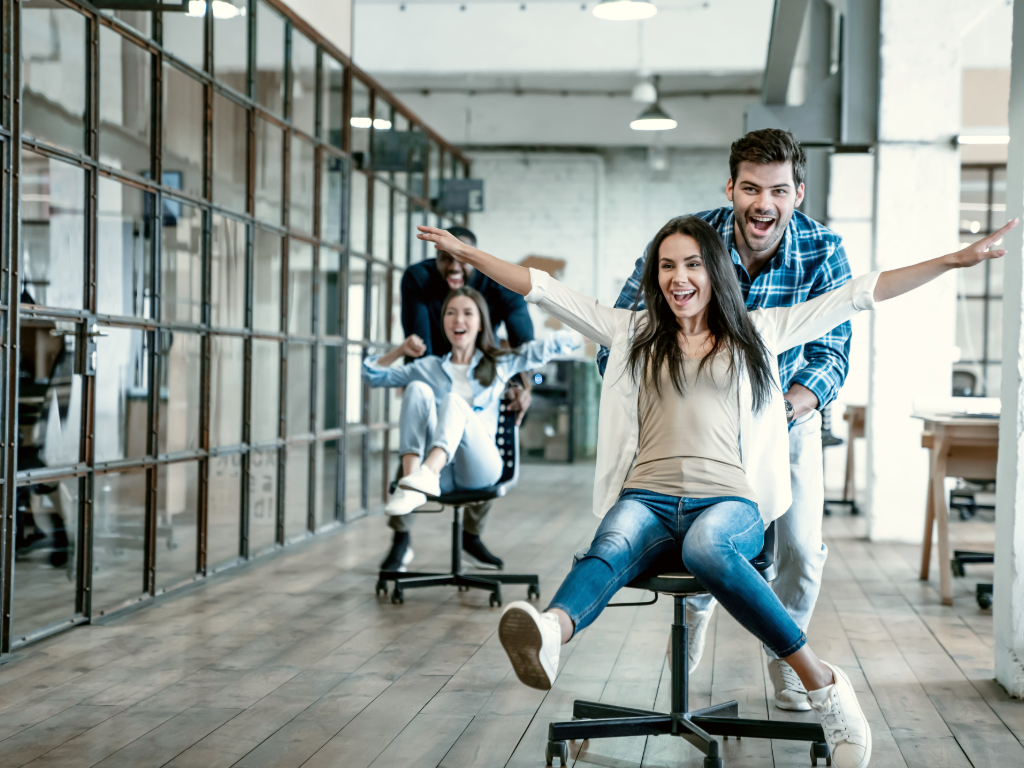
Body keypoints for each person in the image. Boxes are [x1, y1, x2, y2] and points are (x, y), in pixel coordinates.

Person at [416, 215, 1016, 768]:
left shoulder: (759, 330)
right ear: (656, 277)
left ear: (714, 271)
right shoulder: (632, 330)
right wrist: (468, 253)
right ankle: (550, 631)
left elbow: (859, 293)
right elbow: (541, 288)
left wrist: (953, 260)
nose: (679, 277)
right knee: (612, 539)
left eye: (693, 264)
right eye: (667, 266)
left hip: (728, 504)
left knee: (706, 546)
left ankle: (821, 682)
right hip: (648, 498)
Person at [598, 128, 854, 709]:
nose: (764, 203)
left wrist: (781, 411)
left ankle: (787, 661)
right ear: (731, 188)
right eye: (751, 188)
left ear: (798, 193)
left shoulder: (823, 250)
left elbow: (831, 356)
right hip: (696, 414)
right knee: (702, 536)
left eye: (779, 190)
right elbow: (617, 337)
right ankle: (690, 631)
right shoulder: (689, 241)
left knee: (800, 548)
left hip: (789, 413)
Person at [381, 226, 536, 574]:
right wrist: (426, 384)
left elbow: (522, 341)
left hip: (482, 363)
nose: (453, 267)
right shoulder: (418, 279)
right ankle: (401, 538)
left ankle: (471, 535)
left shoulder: (499, 281)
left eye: (461, 259)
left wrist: (522, 385)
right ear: (434, 258)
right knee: (417, 437)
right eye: (444, 259)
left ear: (476, 261)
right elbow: (418, 341)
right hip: (439, 362)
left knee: (487, 435)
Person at [365, 287, 577, 539]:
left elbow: (543, 349)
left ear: (479, 324)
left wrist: (588, 333)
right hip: (442, 478)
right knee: (416, 388)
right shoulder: (428, 366)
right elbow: (371, 376)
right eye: (451, 313)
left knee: (454, 401)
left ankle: (428, 472)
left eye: (468, 313)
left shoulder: (500, 363)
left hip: (480, 469)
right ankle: (411, 483)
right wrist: (400, 351)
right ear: (443, 322)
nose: (459, 319)